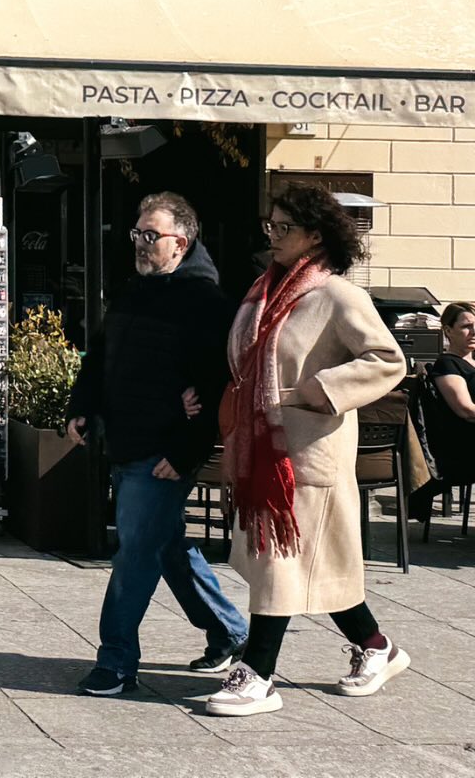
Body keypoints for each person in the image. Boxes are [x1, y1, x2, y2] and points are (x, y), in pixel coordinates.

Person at [202, 184, 409, 718]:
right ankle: (377, 646)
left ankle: (257, 673)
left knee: (281, 563)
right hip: (265, 448)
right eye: (269, 225)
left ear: (316, 236)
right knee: (303, 566)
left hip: (308, 451)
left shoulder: (338, 295)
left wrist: (321, 390)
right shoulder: (264, 289)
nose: (272, 235)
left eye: (284, 227)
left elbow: (388, 359)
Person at [67, 192, 249, 696]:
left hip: (162, 453)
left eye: (152, 235)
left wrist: (186, 451)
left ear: (180, 243)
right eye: (137, 233)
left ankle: (116, 662)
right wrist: (82, 406)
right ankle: (231, 631)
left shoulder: (205, 302)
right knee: (165, 544)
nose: (140, 243)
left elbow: (215, 387)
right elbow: (100, 356)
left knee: (134, 555)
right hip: (124, 441)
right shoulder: (133, 291)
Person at [414, 302, 475, 524]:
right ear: (448, 331)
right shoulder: (448, 365)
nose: (474, 332)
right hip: (463, 449)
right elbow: (465, 409)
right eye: (466, 326)